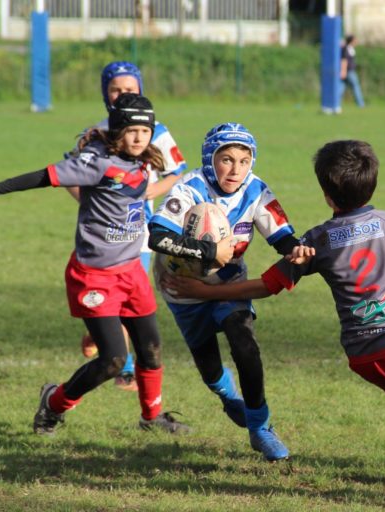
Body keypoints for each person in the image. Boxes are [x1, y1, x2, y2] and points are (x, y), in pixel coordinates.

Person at [162, 139, 385, 492]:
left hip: (363, 355)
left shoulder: (316, 240)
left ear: (327, 195)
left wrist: (207, 292)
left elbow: (267, 285)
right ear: (372, 185)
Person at [0, 93, 190, 436]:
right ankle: (52, 404)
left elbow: (160, 182)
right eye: (132, 130)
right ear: (118, 130)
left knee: (151, 348)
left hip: (130, 271)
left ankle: (151, 417)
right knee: (113, 360)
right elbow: (44, 176)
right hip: (94, 277)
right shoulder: (96, 162)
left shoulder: (143, 159)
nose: (139, 138)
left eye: (145, 131)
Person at [147, 122, 302, 462]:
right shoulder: (190, 187)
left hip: (230, 284)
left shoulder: (256, 190)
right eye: (227, 159)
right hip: (182, 288)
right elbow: (157, 237)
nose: (236, 170)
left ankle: (260, 427)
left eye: (244, 161)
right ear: (210, 158)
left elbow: (284, 239)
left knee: (245, 343)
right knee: (210, 368)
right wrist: (208, 252)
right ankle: (227, 395)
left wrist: (299, 249)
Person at [70, 61, 188, 391]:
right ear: (105, 93)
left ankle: (120, 360)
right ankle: (115, 352)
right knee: (115, 296)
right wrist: (91, 202)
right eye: (115, 89)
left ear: (141, 90)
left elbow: (177, 171)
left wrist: (152, 190)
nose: (121, 94)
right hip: (102, 234)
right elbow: (70, 175)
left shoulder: (156, 131)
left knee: (130, 296)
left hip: (139, 230)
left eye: (129, 89)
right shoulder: (98, 133)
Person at [339, 35, 365, 108]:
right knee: (356, 86)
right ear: (351, 41)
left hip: (348, 71)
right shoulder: (346, 49)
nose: (356, 42)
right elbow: (344, 60)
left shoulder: (349, 48)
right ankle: (360, 103)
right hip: (349, 71)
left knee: (342, 87)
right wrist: (343, 71)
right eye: (355, 40)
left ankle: (335, 101)